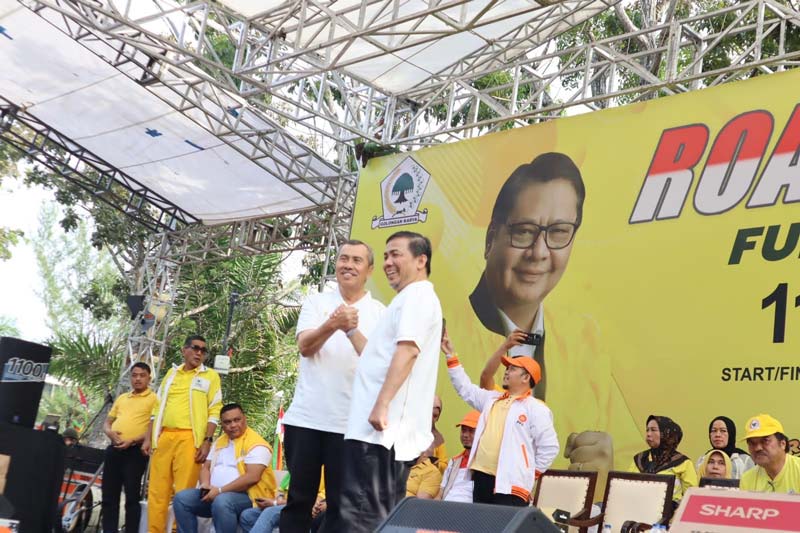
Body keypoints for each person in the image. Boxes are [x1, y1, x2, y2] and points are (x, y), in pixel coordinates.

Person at [327, 231, 443, 533]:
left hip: (381, 435)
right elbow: (377, 359)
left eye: (396, 254)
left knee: (361, 521)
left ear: (421, 260)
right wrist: (351, 332)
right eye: (387, 255)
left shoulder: (418, 297)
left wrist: (382, 405)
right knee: (358, 517)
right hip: (371, 433)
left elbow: (408, 351)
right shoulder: (405, 299)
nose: (389, 262)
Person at [280, 240, 385, 533]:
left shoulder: (380, 312)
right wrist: (333, 323)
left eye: (356, 260)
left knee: (342, 508)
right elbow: (304, 346)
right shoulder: (317, 302)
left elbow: (377, 363)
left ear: (369, 270)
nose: (348, 265)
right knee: (299, 501)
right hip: (306, 420)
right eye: (343, 259)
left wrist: (351, 329)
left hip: (351, 426)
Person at [469, 152, 585, 399]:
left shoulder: (584, 344)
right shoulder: (449, 330)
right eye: (523, 231)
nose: (539, 252)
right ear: (491, 238)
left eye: (559, 232)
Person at [442, 332, 559, 506]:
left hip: (511, 485)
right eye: (507, 368)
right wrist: (450, 355)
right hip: (482, 478)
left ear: (526, 377)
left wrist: (528, 473)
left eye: (512, 369)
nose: (506, 372)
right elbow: (464, 388)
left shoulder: (535, 408)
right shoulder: (492, 399)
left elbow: (550, 447)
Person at [142, 335, 222, 533]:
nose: (199, 353)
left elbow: (214, 410)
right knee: (157, 492)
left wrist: (207, 441)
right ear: (184, 350)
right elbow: (157, 408)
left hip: (190, 440)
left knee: (183, 494)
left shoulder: (210, 376)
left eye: (203, 350)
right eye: (195, 348)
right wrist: (148, 438)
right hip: (164, 437)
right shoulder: (171, 373)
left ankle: (179, 530)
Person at [172, 403, 276, 533]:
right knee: (182, 499)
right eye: (227, 422)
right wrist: (205, 484)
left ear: (245, 419)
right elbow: (206, 467)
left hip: (248, 497)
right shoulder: (220, 441)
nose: (232, 425)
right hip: (215, 493)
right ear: (222, 424)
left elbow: (252, 477)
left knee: (222, 501)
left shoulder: (257, 444)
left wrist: (220, 490)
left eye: (237, 420)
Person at [101, 362, 156, 533]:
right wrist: (110, 433)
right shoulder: (122, 398)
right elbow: (107, 422)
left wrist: (132, 440)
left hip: (135, 452)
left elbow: (153, 428)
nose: (138, 378)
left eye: (142, 375)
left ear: (149, 378)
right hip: (114, 450)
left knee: (132, 497)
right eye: (134, 375)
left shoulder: (154, 399)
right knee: (109, 495)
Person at [629, 415, 697, 505]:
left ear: (666, 434)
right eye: (647, 430)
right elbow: (627, 487)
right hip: (637, 512)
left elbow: (692, 499)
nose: (648, 434)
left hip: (670, 517)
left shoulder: (683, 463)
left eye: (653, 430)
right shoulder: (639, 459)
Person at [740, 414, 800, 493]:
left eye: (765, 441)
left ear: (783, 444)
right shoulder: (747, 479)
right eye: (752, 443)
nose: (758, 448)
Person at [437, 410, 480, 502]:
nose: (465, 435)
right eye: (463, 430)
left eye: (471, 431)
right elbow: (441, 492)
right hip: (447, 508)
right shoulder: (454, 461)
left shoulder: (486, 463)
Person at [431, 395, 448, 472]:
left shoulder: (438, 438)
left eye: (435, 416)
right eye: (429, 414)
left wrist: (437, 464)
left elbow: (444, 465)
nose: (431, 419)